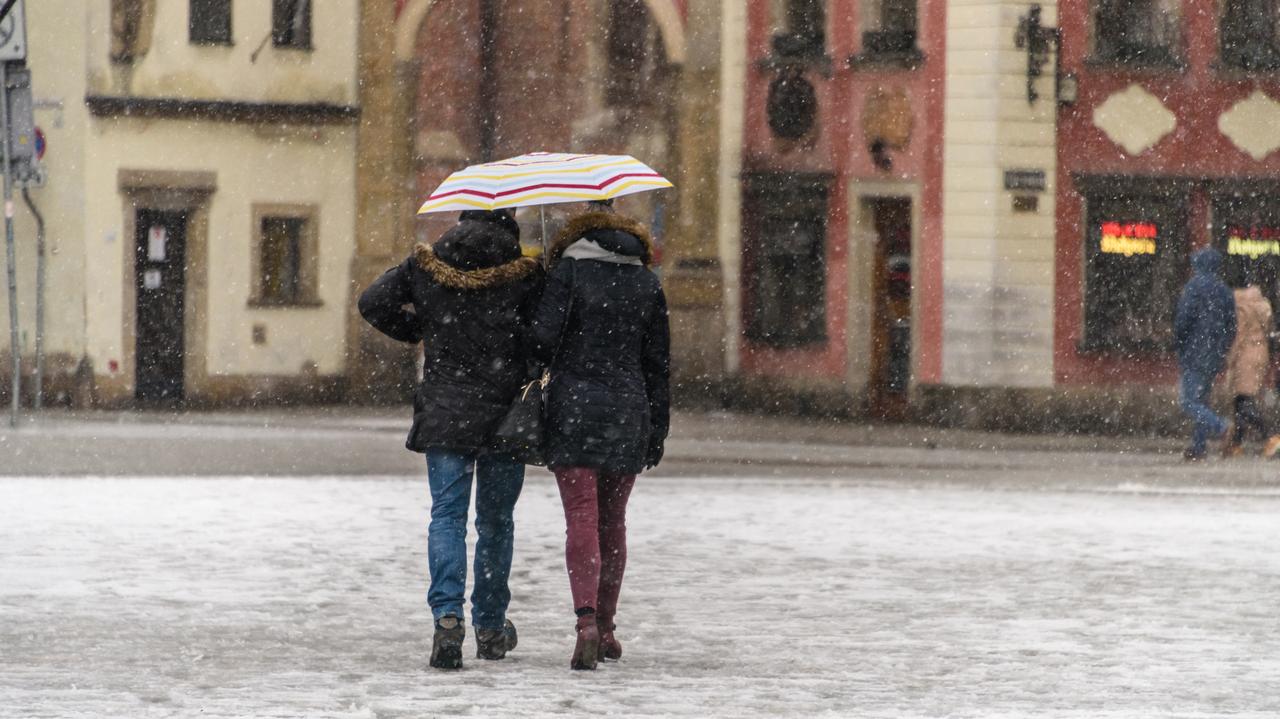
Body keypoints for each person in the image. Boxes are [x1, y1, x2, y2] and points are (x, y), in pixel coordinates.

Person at [358, 208, 543, 670]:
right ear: (509, 223)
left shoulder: (426, 266)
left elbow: (372, 302)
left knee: (447, 517)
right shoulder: (524, 274)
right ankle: (491, 625)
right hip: (506, 414)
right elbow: (546, 336)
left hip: (446, 410)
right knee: (496, 522)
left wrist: (420, 328)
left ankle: (446, 619)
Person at [531, 199, 670, 670]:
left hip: (573, 407)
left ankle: (585, 622)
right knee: (614, 522)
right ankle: (608, 628)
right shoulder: (647, 281)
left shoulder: (568, 273)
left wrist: (544, 288)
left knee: (582, 518)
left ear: (579, 232)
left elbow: (541, 342)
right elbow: (658, 364)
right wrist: (658, 427)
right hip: (629, 410)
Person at [1173, 247, 1237, 461]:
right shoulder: (1224, 290)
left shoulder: (1193, 287)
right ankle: (1199, 448)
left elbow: (1183, 321)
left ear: (1198, 265)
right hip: (1214, 354)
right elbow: (1231, 325)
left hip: (1194, 351)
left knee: (1189, 401)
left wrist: (1179, 344)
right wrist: (1222, 349)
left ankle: (1220, 426)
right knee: (1203, 400)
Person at [1222, 279, 1280, 457]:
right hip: (1260, 353)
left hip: (1245, 355)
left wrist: (1230, 358)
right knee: (1242, 402)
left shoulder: (1242, 306)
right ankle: (1236, 444)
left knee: (1244, 401)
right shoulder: (1263, 305)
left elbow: (1240, 335)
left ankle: (1271, 436)